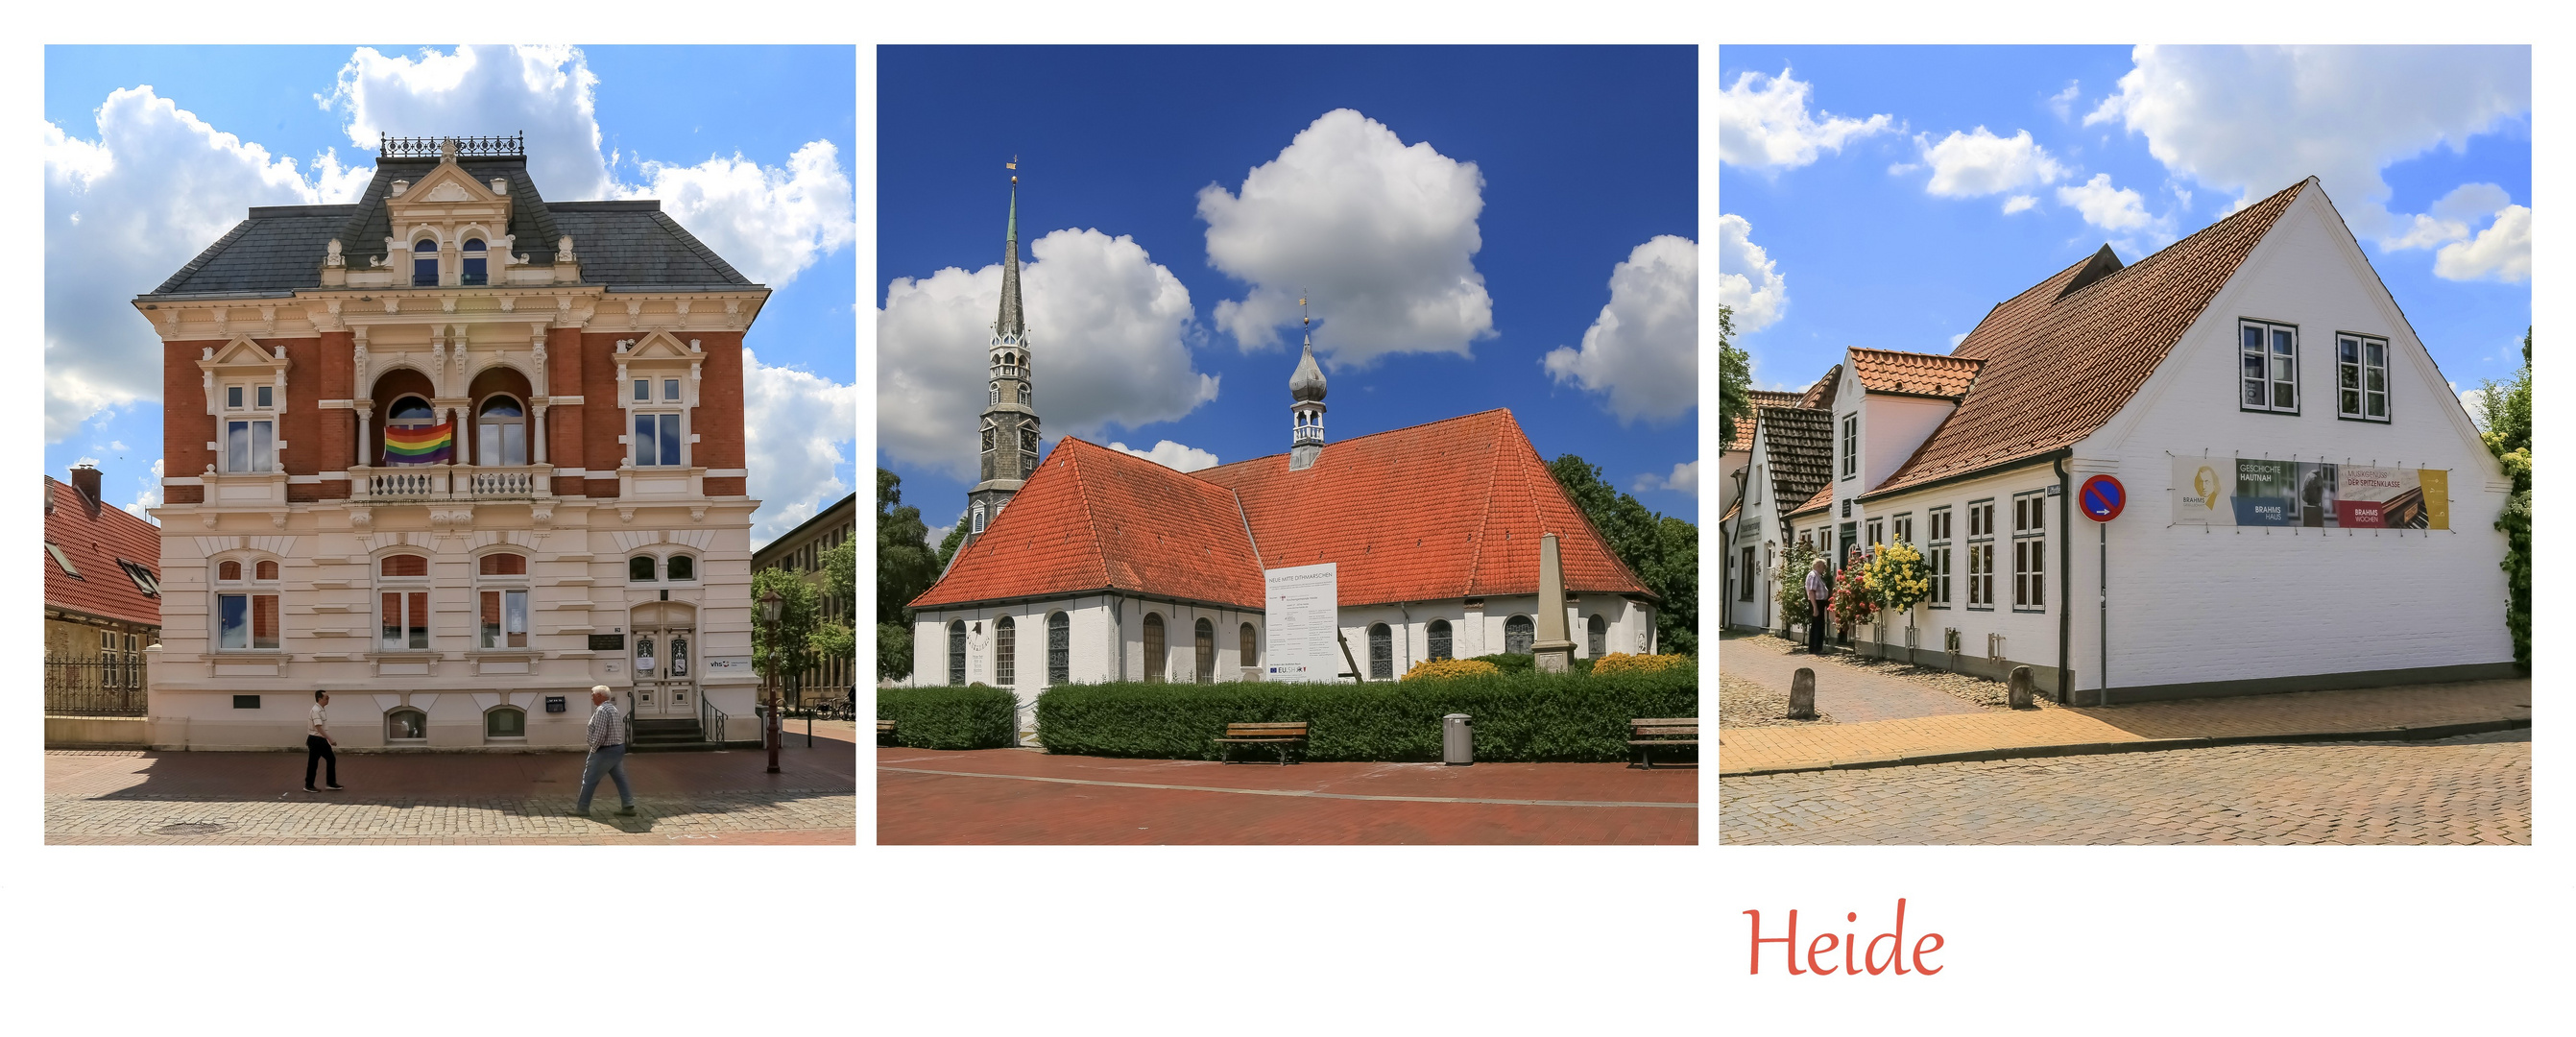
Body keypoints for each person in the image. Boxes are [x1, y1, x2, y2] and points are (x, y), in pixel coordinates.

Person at [576, 685, 636, 817]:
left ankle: (582, 808)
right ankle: (628, 804)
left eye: (593, 695)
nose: (591, 697)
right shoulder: (613, 709)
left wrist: (593, 749)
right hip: (616, 748)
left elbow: (600, 734)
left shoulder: (602, 710)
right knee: (620, 778)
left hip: (605, 750)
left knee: (589, 779)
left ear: (599, 696)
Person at [305, 690, 343, 792]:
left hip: (318, 739)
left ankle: (329, 783)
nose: (328, 699)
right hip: (316, 739)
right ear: (319, 699)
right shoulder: (316, 710)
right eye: (326, 697)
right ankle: (310, 785)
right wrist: (330, 739)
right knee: (316, 762)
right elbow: (318, 727)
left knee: (328, 759)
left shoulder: (321, 709)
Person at [1805, 558, 1832, 655]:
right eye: (1823, 567)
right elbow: (1811, 592)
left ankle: (1814, 648)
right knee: (1818, 626)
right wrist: (1815, 607)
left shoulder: (1817, 576)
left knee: (1817, 625)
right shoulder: (1813, 576)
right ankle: (1816, 649)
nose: (1824, 569)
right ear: (1818, 566)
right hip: (1816, 602)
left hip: (1819, 602)